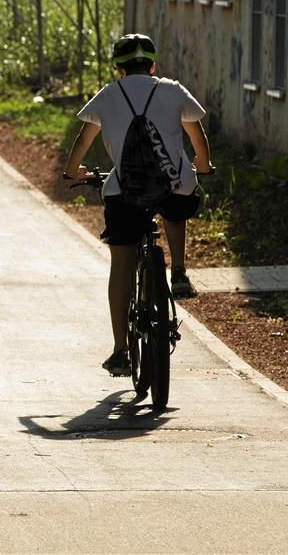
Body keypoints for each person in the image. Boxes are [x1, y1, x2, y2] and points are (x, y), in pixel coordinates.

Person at [62, 33, 213, 376]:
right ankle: (178, 273)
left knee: (122, 262)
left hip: (125, 192)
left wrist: (73, 172)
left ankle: (119, 350)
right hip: (174, 186)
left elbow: (83, 138)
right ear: (153, 65)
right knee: (177, 201)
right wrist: (202, 166)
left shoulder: (108, 95)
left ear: (118, 68)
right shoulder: (172, 89)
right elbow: (196, 133)